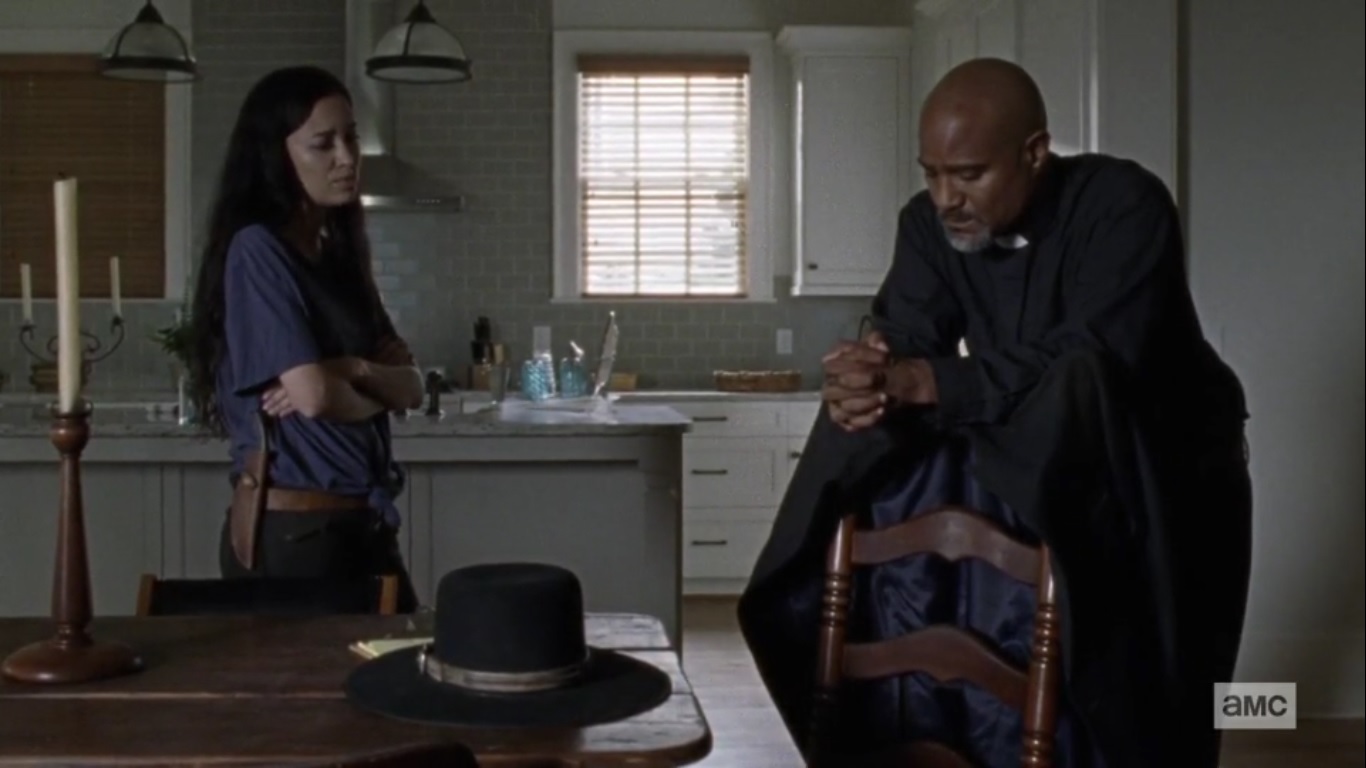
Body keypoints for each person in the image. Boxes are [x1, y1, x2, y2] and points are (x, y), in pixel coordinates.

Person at [738, 58, 1252, 768]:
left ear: (1034, 153)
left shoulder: (1127, 205)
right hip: (1055, 454)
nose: (945, 198)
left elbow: (1093, 359)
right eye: (931, 174)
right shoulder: (926, 225)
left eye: (969, 175)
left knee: (1179, 694)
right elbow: (906, 340)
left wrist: (928, 380)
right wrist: (867, 378)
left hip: (1173, 467)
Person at [186, 65, 425, 612]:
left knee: (407, 654)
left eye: (351, 138)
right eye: (323, 144)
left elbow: (412, 387)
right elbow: (314, 398)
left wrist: (351, 370)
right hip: (297, 532)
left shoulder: (339, 255)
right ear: (276, 155)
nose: (347, 157)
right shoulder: (258, 251)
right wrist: (361, 380)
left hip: (362, 523)